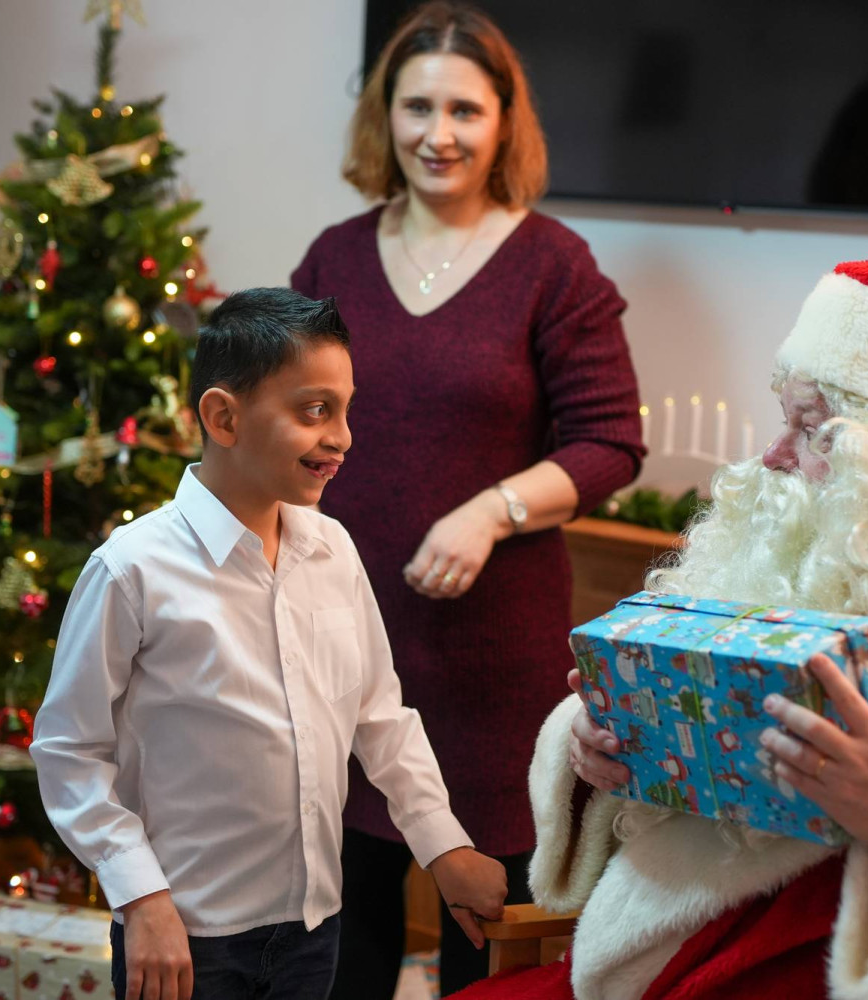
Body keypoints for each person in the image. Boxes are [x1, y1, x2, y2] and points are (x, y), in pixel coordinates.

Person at [449, 253, 868, 1000]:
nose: (772, 456)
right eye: (783, 419)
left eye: (812, 430)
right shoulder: (777, 570)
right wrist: (593, 749)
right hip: (649, 959)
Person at [289, 3, 644, 996]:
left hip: (492, 671)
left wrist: (490, 509)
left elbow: (610, 442)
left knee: (483, 948)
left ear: (503, 123)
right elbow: (290, 416)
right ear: (384, 117)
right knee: (336, 940)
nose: (436, 134)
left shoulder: (552, 265)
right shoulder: (333, 257)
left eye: (463, 110)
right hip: (342, 650)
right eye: (415, 107)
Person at [29, 288, 508, 1000]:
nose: (343, 436)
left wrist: (443, 844)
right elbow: (70, 752)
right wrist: (140, 899)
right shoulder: (132, 569)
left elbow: (379, 716)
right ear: (223, 417)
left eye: (346, 409)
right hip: (184, 936)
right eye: (315, 411)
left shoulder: (333, 550)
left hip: (314, 931)